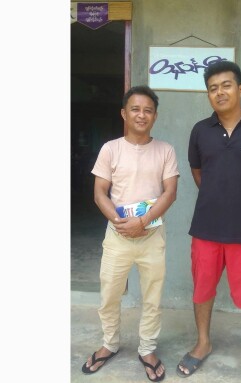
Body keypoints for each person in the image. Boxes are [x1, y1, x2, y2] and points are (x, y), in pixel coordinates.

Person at [176, 61, 241, 383]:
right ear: (208, 94)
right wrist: (219, 193)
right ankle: (203, 343)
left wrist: (239, 194)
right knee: (203, 289)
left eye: (225, 85)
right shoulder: (200, 130)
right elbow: (198, 174)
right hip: (206, 228)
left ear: (240, 89)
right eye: (212, 88)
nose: (219, 92)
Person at [83, 85, 179, 382]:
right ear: (124, 113)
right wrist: (120, 222)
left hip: (152, 236)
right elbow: (100, 192)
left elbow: (170, 192)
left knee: (152, 296)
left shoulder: (165, 150)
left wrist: (144, 221)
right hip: (117, 235)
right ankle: (109, 343)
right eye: (135, 109)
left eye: (148, 110)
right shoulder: (111, 148)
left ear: (155, 115)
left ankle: (147, 349)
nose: (141, 115)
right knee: (109, 294)